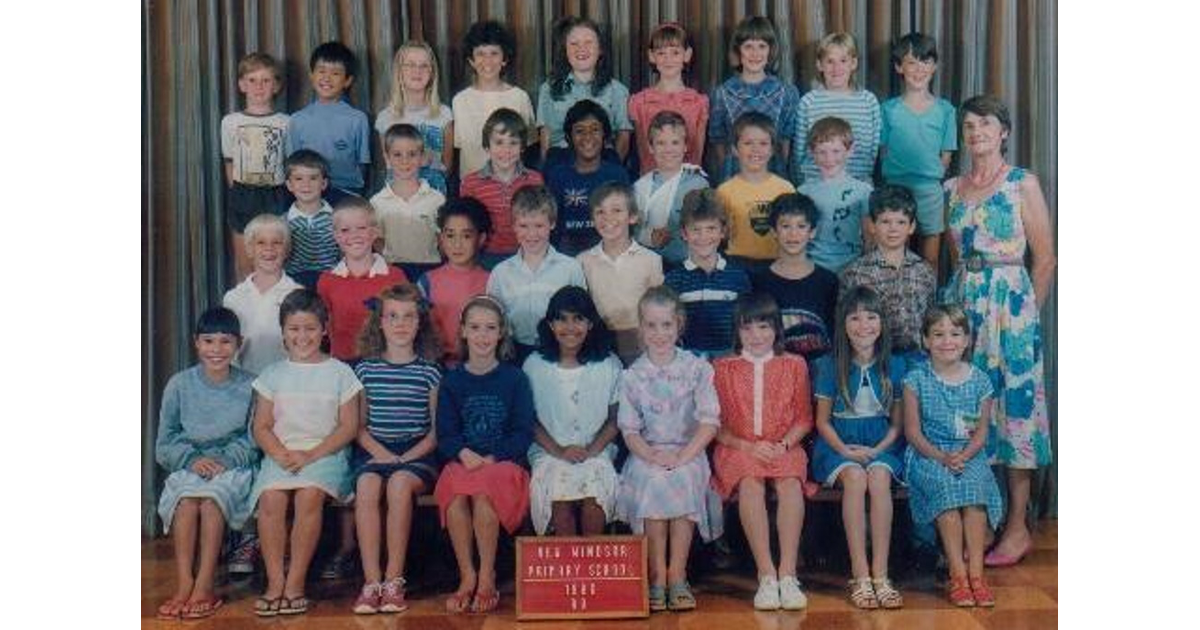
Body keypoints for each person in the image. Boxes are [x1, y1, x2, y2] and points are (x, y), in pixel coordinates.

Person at [943, 95, 1056, 568]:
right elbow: (954, 255)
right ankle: (981, 517)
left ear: (1004, 131)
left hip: (1012, 307)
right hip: (967, 305)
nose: (976, 133)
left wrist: (1026, 318)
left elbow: (1046, 258)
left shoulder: (1021, 183)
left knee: (1016, 414)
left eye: (985, 124)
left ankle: (1016, 524)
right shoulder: (952, 187)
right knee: (972, 410)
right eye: (968, 126)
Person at [249, 288, 362, 617]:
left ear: (324, 329)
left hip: (325, 455)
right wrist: (280, 454)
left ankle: (295, 582)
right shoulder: (273, 374)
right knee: (272, 499)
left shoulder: (341, 373)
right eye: (295, 329)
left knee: (308, 496)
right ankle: (275, 582)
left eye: (311, 328)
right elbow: (262, 426)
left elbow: (347, 427)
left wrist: (310, 456)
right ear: (283, 331)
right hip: (282, 454)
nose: (303, 336)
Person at [615, 286, 722, 612]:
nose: (659, 333)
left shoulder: (697, 368)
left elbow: (709, 422)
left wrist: (682, 456)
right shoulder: (633, 375)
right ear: (641, 330)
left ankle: (678, 573)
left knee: (683, 478)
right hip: (647, 453)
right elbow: (629, 431)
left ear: (678, 326)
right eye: (651, 325)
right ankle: (656, 575)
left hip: (688, 451)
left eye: (666, 325)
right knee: (653, 481)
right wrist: (652, 455)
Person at [154, 307, 258, 620]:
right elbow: (165, 443)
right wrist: (192, 459)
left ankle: (205, 583)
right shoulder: (179, 385)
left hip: (233, 467)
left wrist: (225, 460)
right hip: (191, 464)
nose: (216, 350)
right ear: (196, 343)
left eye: (225, 342)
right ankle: (185, 582)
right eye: (209, 341)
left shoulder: (252, 385)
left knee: (211, 504)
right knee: (186, 503)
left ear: (239, 344)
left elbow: (254, 439)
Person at [711, 293, 813, 611]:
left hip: (784, 444)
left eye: (764, 327)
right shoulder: (722, 367)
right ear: (737, 331)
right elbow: (715, 424)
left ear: (777, 329)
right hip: (738, 446)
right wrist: (748, 446)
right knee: (751, 483)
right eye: (748, 328)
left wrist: (782, 444)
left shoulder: (794, 364)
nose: (756, 336)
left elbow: (804, 418)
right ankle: (766, 574)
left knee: (790, 484)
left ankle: (788, 574)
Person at [434, 295, 536, 614]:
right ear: (462, 331)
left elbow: (523, 431)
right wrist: (463, 453)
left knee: (481, 495)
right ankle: (467, 574)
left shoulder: (514, 378)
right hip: (464, 459)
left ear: (501, 333)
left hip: (503, 464)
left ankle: (488, 574)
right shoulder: (452, 380)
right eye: (475, 327)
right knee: (455, 495)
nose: (482, 335)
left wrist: (493, 457)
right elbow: (446, 433)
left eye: (490, 328)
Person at [811, 286, 906, 609]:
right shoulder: (829, 364)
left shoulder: (895, 365)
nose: (863, 325)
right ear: (843, 323)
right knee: (854, 478)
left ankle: (881, 574)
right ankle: (860, 574)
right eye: (854, 318)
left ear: (882, 323)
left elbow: (897, 424)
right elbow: (822, 422)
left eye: (871, 317)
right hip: (837, 444)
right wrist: (847, 452)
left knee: (878, 479)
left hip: (882, 444)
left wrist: (878, 450)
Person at [350, 285, 442, 615]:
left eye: (408, 317)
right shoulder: (365, 369)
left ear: (420, 323)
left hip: (417, 453)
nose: (400, 324)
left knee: (400, 484)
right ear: (379, 323)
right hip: (375, 449)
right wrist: (382, 453)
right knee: (367, 485)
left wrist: (406, 457)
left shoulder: (429, 370)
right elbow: (359, 427)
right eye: (392, 317)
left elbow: (435, 431)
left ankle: (394, 580)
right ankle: (371, 580)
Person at [903, 305, 1003, 608]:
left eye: (955, 334)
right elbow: (913, 433)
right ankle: (957, 576)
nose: (948, 341)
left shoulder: (981, 380)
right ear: (925, 341)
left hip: (969, 453)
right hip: (929, 454)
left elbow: (982, 431)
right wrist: (942, 457)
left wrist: (964, 455)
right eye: (939, 334)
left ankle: (976, 575)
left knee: (974, 492)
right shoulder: (915, 379)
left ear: (967, 339)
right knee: (946, 490)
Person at [524, 286, 623, 536]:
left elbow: (614, 420)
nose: (570, 327)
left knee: (594, 498)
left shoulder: (609, 364)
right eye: (562, 319)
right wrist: (559, 451)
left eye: (578, 318)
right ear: (549, 324)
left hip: (595, 449)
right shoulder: (534, 365)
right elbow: (530, 420)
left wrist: (590, 451)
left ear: (591, 323)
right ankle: (567, 572)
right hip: (550, 451)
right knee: (560, 497)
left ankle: (590, 568)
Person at [880, 32, 956, 267]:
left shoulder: (945, 110)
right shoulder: (888, 109)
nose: (919, 68)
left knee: (930, 257)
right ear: (898, 67)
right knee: (892, 253)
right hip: (895, 189)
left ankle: (927, 302)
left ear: (934, 67)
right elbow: (883, 151)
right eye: (911, 62)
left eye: (925, 61)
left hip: (929, 190)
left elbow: (946, 156)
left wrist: (928, 176)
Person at [486, 185, 587, 362]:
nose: (532, 234)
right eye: (523, 226)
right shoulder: (500, 273)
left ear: (552, 223)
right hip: (513, 353)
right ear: (513, 226)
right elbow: (493, 319)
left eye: (539, 225)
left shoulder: (571, 268)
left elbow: (581, 316)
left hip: (559, 351)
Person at [838, 185, 937, 363]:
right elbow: (845, 325)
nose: (893, 229)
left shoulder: (924, 271)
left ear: (912, 227)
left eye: (901, 222)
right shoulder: (855, 274)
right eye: (885, 222)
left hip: (918, 359)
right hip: (874, 360)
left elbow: (931, 319)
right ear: (872, 225)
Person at [577, 183, 664, 364]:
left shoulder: (651, 260)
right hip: (597, 343)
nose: (608, 218)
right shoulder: (582, 261)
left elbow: (657, 311)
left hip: (639, 344)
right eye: (600, 212)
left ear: (632, 217)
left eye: (617, 210)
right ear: (592, 218)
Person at [707, 15, 799, 183]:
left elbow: (785, 141)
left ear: (770, 50)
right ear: (738, 50)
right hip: (735, 175)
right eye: (748, 46)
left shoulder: (787, 93)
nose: (755, 53)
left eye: (762, 46)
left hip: (773, 174)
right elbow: (718, 140)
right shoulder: (722, 94)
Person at [316, 197, 409, 364]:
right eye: (345, 230)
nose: (354, 235)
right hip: (343, 364)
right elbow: (323, 328)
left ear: (374, 232)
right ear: (335, 236)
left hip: (386, 364)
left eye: (361, 228)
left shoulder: (395, 276)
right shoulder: (326, 281)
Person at [221, 52, 289, 280]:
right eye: (252, 80)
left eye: (266, 80)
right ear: (242, 85)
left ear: (276, 86)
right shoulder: (230, 122)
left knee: (276, 260)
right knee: (245, 264)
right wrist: (239, 193)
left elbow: (289, 164)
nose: (259, 87)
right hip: (243, 194)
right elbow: (229, 162)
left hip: (276, 195)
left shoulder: (286, 122)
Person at [751, 193, 838, 366]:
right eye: (785, 226)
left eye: (801, 226)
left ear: (812, 232)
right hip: (775, 371)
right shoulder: (758, 281)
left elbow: (834, 333)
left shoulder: (828, 281)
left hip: (819, 370)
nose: (793, 234)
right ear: (774, 231)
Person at [664, 189, 752, 358]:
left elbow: (746, 324)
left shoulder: (737, 277)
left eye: (711, 228)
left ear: (722, 231)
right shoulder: (673, 279)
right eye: (696, 229)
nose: (703, 236)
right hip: (688, 361)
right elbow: (670, 326)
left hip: (729, 358)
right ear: (684, 234)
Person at [537, 16, 632, 168]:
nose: (581, 49)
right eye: (574, 43)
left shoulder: (618, 91)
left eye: (588, 42)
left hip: (602, 166)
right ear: (565, 50)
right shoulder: (548, 89)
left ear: (600, 49)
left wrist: (609, 173)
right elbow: (545, 137)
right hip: (561, 165)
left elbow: (623, 138)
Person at [791, 32, 880, 186]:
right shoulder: (809, 102)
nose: (836, 68)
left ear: (853, 63)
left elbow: (872, 150)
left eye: (843, 61)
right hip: (816, 184)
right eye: (830, 61)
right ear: (819, 65)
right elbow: (799, 151)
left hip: (857, 185)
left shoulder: (868, 101)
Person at [459, 108, 544, 265]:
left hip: (526, 255)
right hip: (485, 257)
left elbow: (541, 220)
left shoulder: (534, 179)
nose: (506, 150)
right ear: (487, 147)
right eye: (498, 142)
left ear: (522, 147)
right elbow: (467, 227)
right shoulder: (471, 183)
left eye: (513, 143)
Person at [545, 100, 631, 255]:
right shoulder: (557, 176)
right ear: (569, 137)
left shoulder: (618, 175)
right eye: (579, 131)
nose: (588, 137)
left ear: (605, 134)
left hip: (609, 251)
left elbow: (626, 224)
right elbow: (551, 228)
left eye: (595, 130)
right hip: (567, 254)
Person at [452, 20, 536, 178]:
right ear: (471, 60)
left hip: (511, 186)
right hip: (473, 189)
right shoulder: (460, 101)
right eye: (480, 54)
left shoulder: (520, 97)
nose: (487, 61)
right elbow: (459, 148)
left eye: (494, 53)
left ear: (504, 59)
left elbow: (528, 145)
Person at [286, 41, 371, 197]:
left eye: (335, 73)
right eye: (321, 71)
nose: (327, 78)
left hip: (348, 191)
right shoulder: (297, 119)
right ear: (311, 76)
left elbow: (363, 163)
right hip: (309, 194)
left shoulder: (358, 119)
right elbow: (293, 165)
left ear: (347, 81)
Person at [223, 214, 303, 375]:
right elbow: (228, 349)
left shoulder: (298, 293)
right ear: (250, 249)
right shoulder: (233, 298)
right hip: (245, 385)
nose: (269, 249)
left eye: (277, 243)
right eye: (261, 242)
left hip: (287, 384)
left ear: (286, 250)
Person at [715, 112, 796, 274]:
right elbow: (719, 235)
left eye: (763, 143)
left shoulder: (785, 189)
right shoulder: (724, 191)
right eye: (748, 143)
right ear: (735, 149)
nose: (756, 149)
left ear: (773, 149)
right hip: (737, 264)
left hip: (777, 263)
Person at [417, 197, 492, 365]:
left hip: (480, 365)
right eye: (450, 235)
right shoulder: (427, 281)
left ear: (480, 239)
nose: (457, 244)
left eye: (466, 236)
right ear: (441, 238)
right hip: (436, 366)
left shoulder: (492, 281)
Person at [628, 22, 708, 175]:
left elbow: (697, 154)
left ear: (687, 55)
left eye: (675, 52)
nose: (668, 59)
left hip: (687, 184)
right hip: (652, 183)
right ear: (651, 56)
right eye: (661, 53)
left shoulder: (698, 102)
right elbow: (643, 154)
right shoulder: (639, 102)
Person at [633, 111, 710, 267]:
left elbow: (708, 226)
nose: (668, 149)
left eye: (675, 142)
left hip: (688, 265)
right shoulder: (640, 187)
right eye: (661, 143)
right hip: (648, 266)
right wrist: (649, 236)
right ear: (650, 147)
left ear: (685, 146)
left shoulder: (698, 184)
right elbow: (631, 228)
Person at [375, 40, 453, 194]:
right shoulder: (385, 118)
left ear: (432, 73)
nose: (417, 71)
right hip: (398, 194)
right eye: (410, 65)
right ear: (399, 71)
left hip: (434, 192)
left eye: (424, 66)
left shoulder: (444, 114)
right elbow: (388, 165)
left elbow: (447, 166)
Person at [797, 117, 873, 273]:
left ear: (850, 150)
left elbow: (869, 238)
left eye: (836, 151)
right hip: (813, 268)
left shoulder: (864, 191)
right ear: (812, 152)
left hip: (851, 268)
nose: (829, 159)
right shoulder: (803, 191)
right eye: (822, 152)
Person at [370, 123, 446, 280]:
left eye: (412, 154)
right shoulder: (377, 202)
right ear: (387, 157)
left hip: (430, 269)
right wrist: (390, 258)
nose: (405, 161)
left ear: (422, 157)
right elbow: (376, 240)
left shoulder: (437, 199)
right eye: (397, 154)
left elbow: (443, 239)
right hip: (392, 270)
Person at [282, 149, 339, 290]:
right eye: (299, 178)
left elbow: (345, 255)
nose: (306, 184)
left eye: (313, 178)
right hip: (293, 284)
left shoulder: (338, 218)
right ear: (289, 185)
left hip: (331, 282)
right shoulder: (282, 222)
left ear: (324, 183)